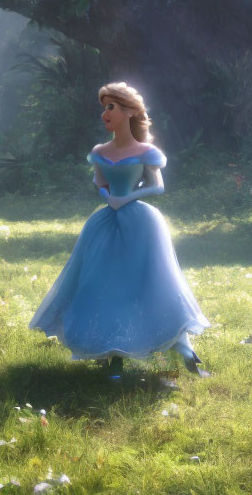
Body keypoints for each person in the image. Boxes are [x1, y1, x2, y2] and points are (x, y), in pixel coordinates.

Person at [30, 82, 210, 375]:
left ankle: (177, 345)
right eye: (104, 107)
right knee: (104, 283)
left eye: (110, 107)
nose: (105, 113)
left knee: (147, 280)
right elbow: (100, 184)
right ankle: (113, 351)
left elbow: (157, 186)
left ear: (129, 112)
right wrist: (109, 198)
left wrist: (126, 197)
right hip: (106, 222)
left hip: (140, 222)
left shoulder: (145, 151)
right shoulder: (100, 151)